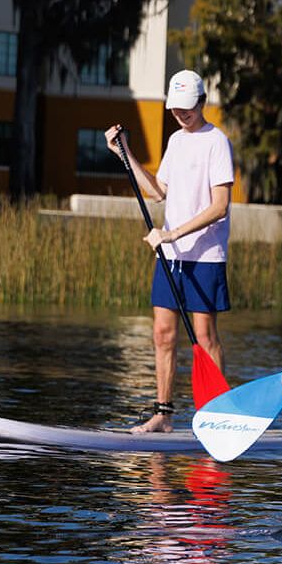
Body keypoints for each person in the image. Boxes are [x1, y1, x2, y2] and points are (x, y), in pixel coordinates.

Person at [107, 69, 235, 433]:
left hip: (204, 255)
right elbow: (159, 191)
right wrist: (125, 153)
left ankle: (216, 418)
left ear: (202, 102)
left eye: (187, 108)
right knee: (162, 334)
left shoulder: (217, 142)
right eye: (176, 108)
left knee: (205, 336)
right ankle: (163, 415)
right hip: (171, 255)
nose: (181, 114)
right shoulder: (176, 141)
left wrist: (171, 232)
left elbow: (219, 206)